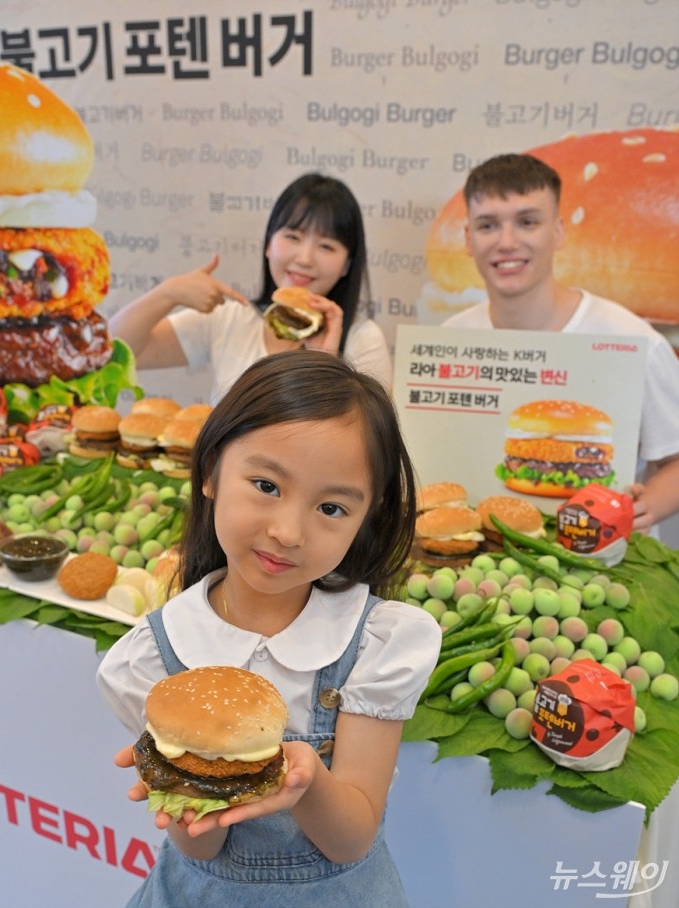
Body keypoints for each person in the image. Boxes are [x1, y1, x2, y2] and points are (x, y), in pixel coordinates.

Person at [96, 350, 442, 907]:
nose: (287, 532)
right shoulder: (154, 655)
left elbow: (351, 838)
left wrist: (301, 779)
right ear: (211, 471)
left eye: (331, 509)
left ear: (366, 519)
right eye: (266, 485)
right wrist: (181, 790)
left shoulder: (375, 642)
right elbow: (199, 850)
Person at [441, 153, 679, 534]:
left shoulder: (632, 341)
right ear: (469, 239)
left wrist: (644, 509)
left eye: (527, 222)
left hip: (598, 561)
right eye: (487, 225)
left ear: (558, 232)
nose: (507, 242)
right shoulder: (450, 339)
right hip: (478, 555)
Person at [110, 173, 392, 402]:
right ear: (269, 245)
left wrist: (325, 363)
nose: (304, 258)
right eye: (292, 236)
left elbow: (370, 451)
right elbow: (114, 351)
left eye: (326, 246)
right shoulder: (230, 319)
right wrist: (168, 293)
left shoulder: (362, 339)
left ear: (346, 264)